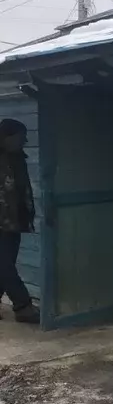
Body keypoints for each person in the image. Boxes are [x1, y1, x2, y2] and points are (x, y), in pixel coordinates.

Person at [0, 119, 39, 324]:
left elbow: (22, 191)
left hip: (13, 222)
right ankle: (22, 306)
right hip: (3, 221)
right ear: (7, 137)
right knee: (4, 265)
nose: (24, 140)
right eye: (20, 137)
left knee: (5, 265)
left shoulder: (17, 158)